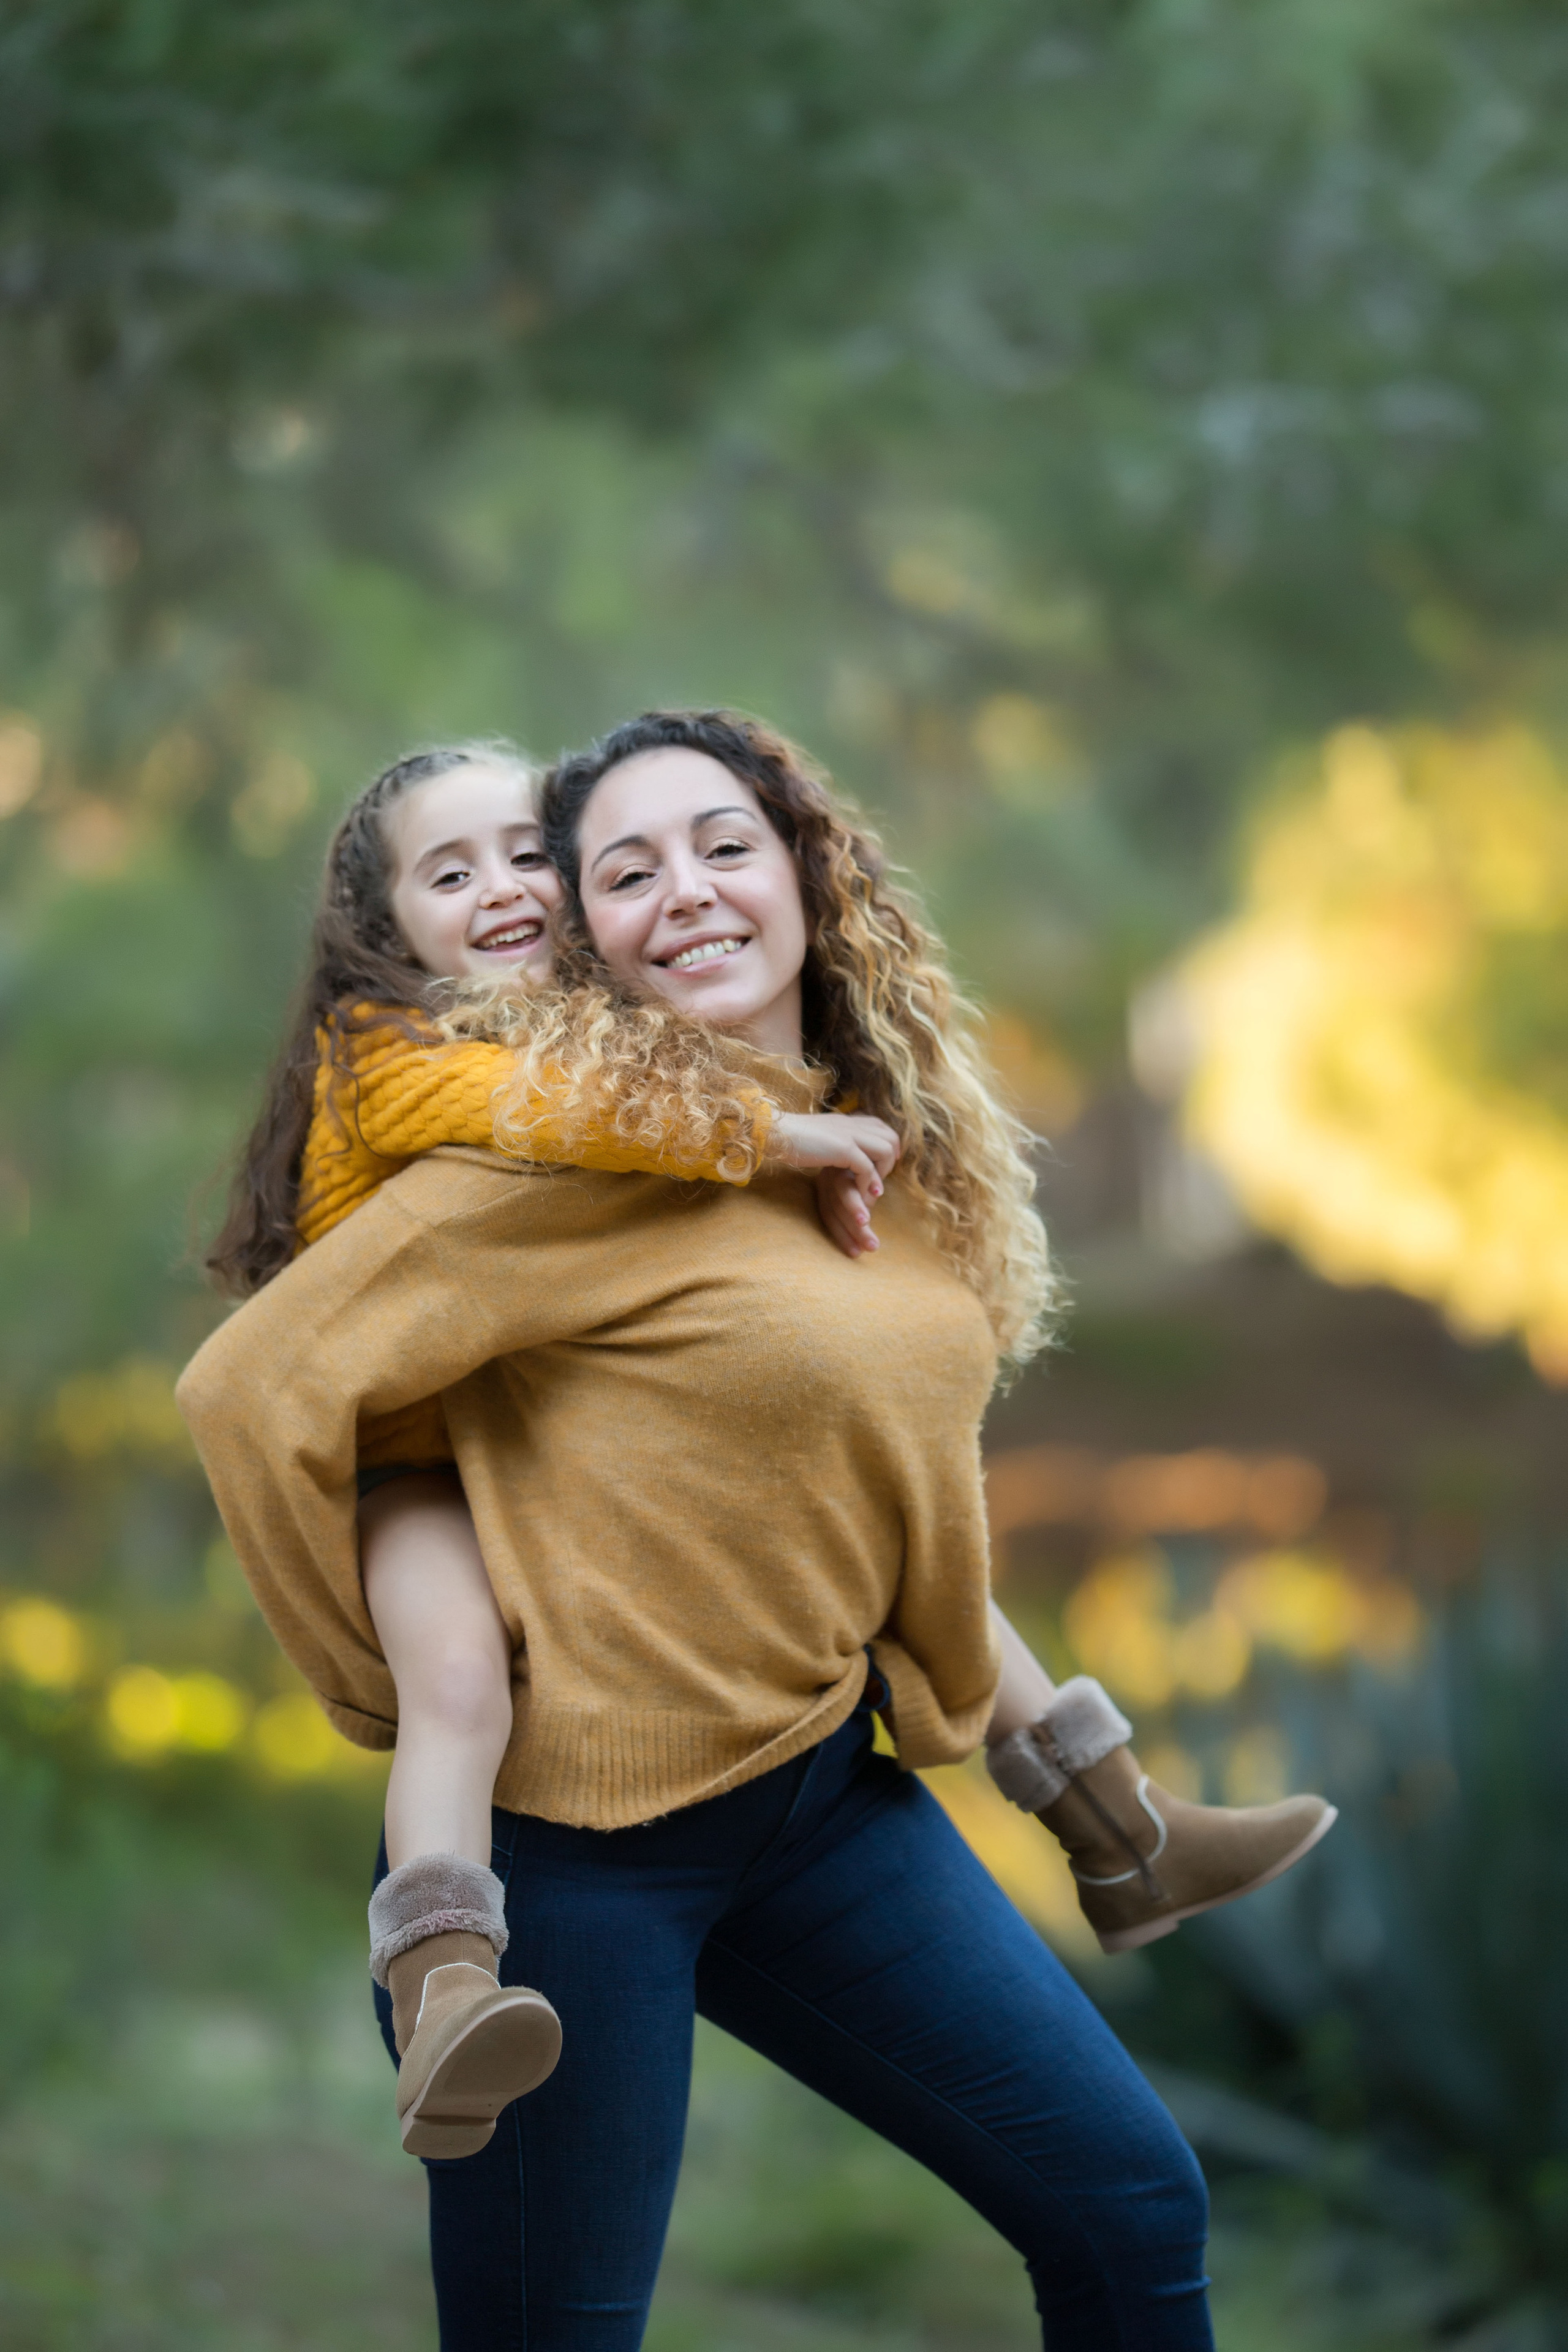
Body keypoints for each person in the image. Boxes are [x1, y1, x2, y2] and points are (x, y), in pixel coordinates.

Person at [180, 710, 1334, 2350]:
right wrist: (397, 1673)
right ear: (588, 934)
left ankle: (1127, 1840)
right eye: (627, 870)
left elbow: (886, 1481)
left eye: (724, 845)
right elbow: (249, 1391)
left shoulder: (858, 1132)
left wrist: (1056, 1758)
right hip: (568, 1863)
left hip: (820, 1809)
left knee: (1130, 2208)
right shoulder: (531, 1172)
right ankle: (440, 1963)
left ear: (805, 868)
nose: (689, 893)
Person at [203, 737, 906, 2152]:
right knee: (460, 1682)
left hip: (525, 1439)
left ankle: (1100, 1804)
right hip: (413, 1466)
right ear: (384, 927)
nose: (504, 888)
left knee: (862, 1518)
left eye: (529, 853)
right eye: (449, 873)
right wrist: (778, 1134)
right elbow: (562, 1117)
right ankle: (446, 1983)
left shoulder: (563, 1023)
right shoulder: (390, 1055)